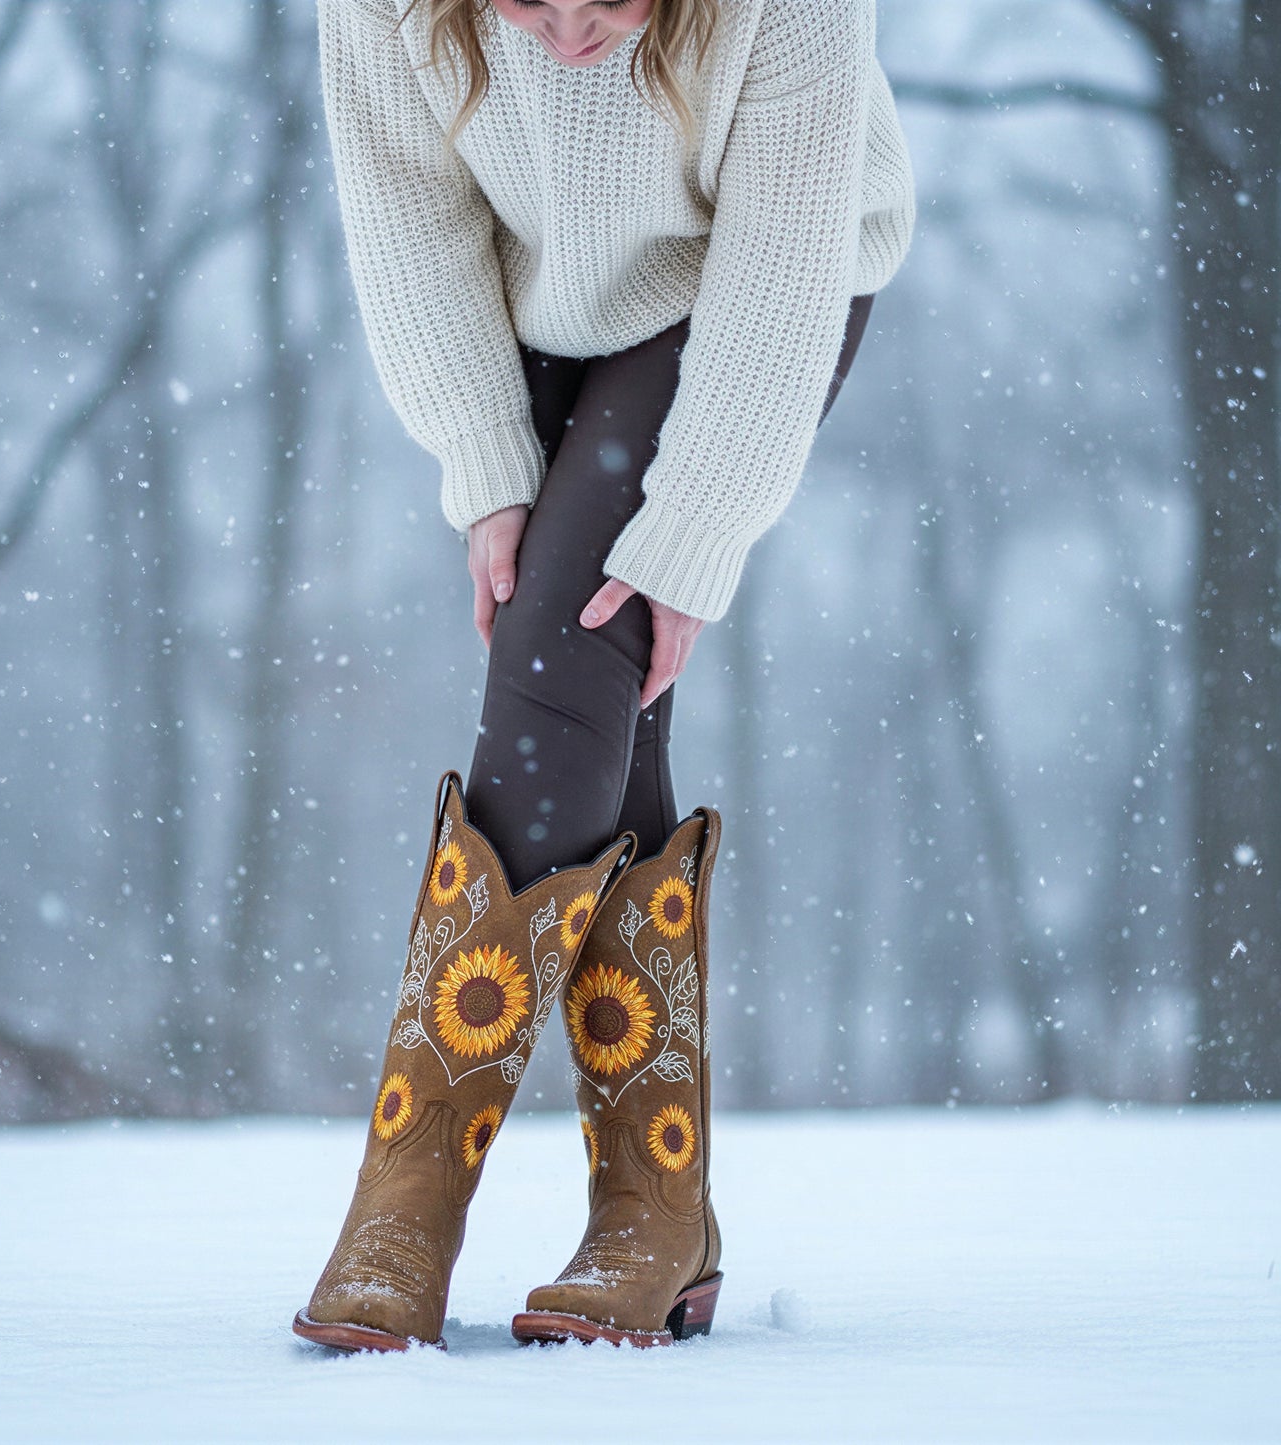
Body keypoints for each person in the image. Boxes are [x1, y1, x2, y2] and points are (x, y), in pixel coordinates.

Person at [294, 0, 915, 1352]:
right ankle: (656, 1215)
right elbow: (405, 209)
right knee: (600, 714)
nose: (570, 36)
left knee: (565, 657)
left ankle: (404, 1211)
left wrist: (698, 522)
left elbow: (782, 257)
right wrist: (484, 466)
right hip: (528, 287)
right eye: (529, 3)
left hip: (739, 285)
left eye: (611, 3)